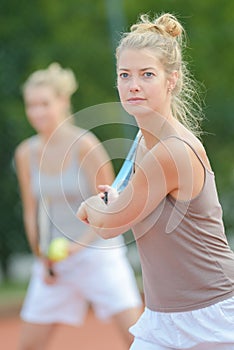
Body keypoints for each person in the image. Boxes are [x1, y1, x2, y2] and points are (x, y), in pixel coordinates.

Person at [77, 13, 234, 350]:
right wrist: (115, 205)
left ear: (171, 80)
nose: (133, 85)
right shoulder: (143, 142)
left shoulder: (170, 151)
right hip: (162, 319)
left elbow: (108, 226)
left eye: (147, 74)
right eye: (125, 75)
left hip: (215, 317)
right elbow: (126, 210)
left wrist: (93, 207)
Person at [14, 62, 143, 350]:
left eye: (44, 104)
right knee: (28, 346)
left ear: (62, 101)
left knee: (139, 340)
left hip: (99, 253)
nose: (37, 112)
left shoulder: (86, 145)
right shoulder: (25, 153)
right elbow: (30, 210)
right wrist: (40, 255)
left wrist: (79, 247)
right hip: (55, 262)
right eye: (31, 105)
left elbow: (110, 207)